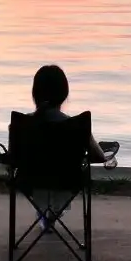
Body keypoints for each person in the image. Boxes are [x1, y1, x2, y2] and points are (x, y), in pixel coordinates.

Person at [27, 65, 106, 229]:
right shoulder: (77, 125)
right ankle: (52, 214)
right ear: (64, 94)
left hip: (30, 181)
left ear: (35, 93)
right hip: (68, 180)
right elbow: (99, 156)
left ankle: (45, 214)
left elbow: (14, 158)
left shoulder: (22, 124)